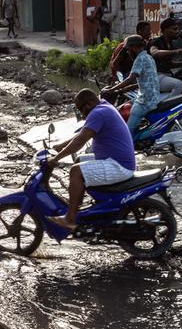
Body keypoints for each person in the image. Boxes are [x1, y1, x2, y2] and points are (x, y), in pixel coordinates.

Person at [47, 89, 136, 230]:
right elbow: (83, 133)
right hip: (114, 159)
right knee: (79, 161)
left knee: (76, 171)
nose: (82, 114)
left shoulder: (98, 113)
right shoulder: (104, 106)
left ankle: (70, 219)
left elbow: (81, 140)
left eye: (81, 110)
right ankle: (77, 206)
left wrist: (56, 158)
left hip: (118, 165)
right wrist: (61, 146)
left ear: (87, 105)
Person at [102, 35, 161, 131]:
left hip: (145, 101)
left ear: (134, 48)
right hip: (153, 98)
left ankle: (129, 142)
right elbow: (147, 81)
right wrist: (126, 89)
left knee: (127, 131)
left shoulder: (139, 59)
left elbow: (130, 78)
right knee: (126, 105)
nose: (128, 53)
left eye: (128, 50)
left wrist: (112, 89)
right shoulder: (149, 57)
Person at [148, 18, 182, 95]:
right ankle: (166, 106)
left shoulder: (170, 45)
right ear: (165, 30)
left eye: (178, 29)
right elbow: (155, 53)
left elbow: (169, 64)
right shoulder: (156, 41)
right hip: (154, 76)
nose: (177, 31)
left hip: (165, 75)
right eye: (174, 29)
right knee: (178, 84)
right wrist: (178, 51)